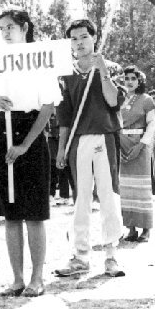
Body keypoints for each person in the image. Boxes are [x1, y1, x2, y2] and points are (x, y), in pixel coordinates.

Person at [0, 10, 59, 298]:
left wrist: (25, 145)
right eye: (2, 28)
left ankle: (37, 278)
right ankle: (17, 279)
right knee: (11, 214)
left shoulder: (41, 60)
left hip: (32, 133)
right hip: (3, 131)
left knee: (34, 213)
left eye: (10, 27)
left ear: (24, 27)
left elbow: (48, 107)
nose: (5, 32)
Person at [54, 19, 125, 278]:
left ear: (94, 38)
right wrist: (61, 149)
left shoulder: (111, 67)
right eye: (74, 39)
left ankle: (111, 255)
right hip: (79, 139)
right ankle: (81, 256)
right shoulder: (65, 73)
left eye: (84, 37)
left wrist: (102, 68)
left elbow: (113, 100)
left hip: (105, 136)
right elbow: (64, 116)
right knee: (81, 197)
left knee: (108, 195)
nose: (79, 43)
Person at [118, 66, 155, 243]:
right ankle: (131, 228)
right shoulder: (120, 99)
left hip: (140, 145)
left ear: (139, 80)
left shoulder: (146, 99)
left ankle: (146, 229)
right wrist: (119, 146)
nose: (129, 81)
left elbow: (152, 124)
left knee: (142, 188)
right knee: (126, 188)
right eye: (127, 78)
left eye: (133, 78)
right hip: (122, 145)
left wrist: (141, 145)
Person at [46, 111, 73, 206]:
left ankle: (64, 196)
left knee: (63, 168)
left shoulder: (62, 111)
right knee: (51, 167)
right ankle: (51, 193)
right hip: (51, 140)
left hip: (61, 140)